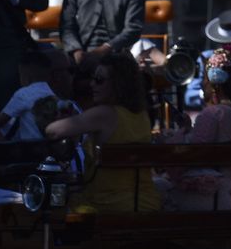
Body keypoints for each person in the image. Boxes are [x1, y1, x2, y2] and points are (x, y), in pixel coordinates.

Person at [45, 51, 155, 212]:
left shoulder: (104, 114)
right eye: (93, 78)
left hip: (107, 204)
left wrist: (63, 119)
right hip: (145, 202)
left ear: (117, 84)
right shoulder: (142, 115)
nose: (92, 84)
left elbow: (52, 131)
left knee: (52, 206)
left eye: (99, 80)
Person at [158, 47, 231, 211]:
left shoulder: (214, 114)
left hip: (208, 198)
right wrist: (188, 129)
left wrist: (176, 136)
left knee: (155, 188)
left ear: (213, 83)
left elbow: (191, 156)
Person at [0, 48, 76, 142]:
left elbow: (0, 122)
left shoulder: (23, 95)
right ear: (56, 75)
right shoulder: (19, 113)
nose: (73, 76)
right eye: (71, 70)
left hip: (37, 148)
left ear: (26, 77)